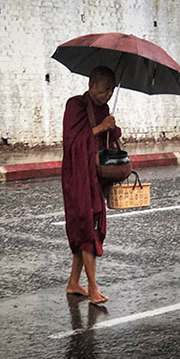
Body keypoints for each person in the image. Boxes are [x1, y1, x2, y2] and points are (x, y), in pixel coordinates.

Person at [61, 66, 121, 305]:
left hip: (95, 175)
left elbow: (105, 141)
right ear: (91, 85)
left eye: (111, 90)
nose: (107, 95)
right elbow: (71, 143)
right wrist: (99, 128)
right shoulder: (74, 105)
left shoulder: (103, 109)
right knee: (87, 227)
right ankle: (94, 287)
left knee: (88, 228)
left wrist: (112, 128)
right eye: (104, 89)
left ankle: (74, 283)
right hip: (76, 175)